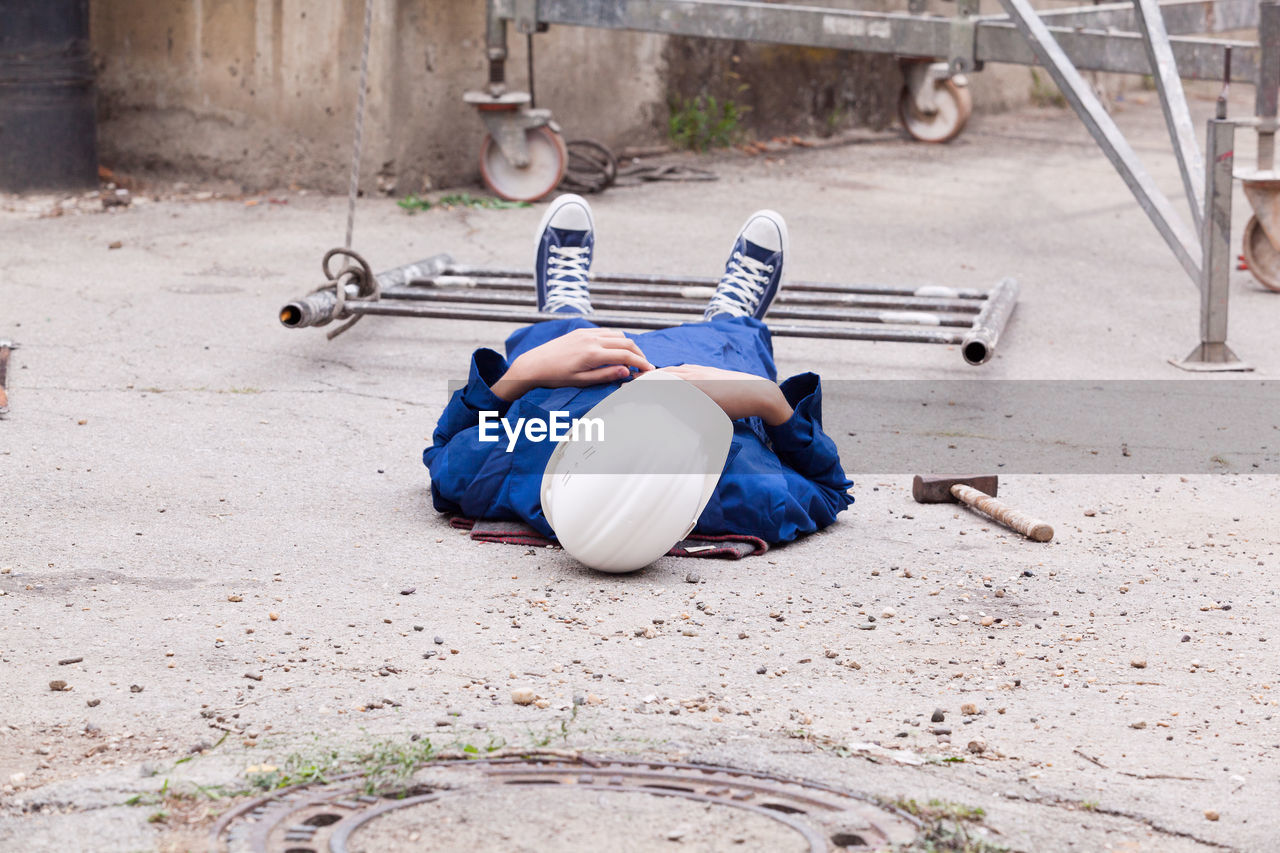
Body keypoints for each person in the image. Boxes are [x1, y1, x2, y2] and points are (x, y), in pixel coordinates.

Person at [424, 194, 853, 563]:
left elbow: (442, 449)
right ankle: (735, 313)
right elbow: (832, 491)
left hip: (576, 370)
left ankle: (561, 309)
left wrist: (520, 375)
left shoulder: (512, 465)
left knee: (561, 340)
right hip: (709, 370)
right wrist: (767, 401)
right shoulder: (751, 494)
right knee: (730, 343)